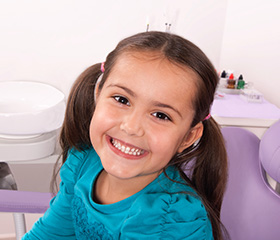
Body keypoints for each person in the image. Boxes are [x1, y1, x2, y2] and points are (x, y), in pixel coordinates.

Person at [23, 31, 228, 240]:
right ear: (98, 93)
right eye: (121, 99)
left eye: (160, 115)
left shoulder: (170, 219)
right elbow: (49, 234)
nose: (131, 127)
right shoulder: (81, 162)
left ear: (188, 137)